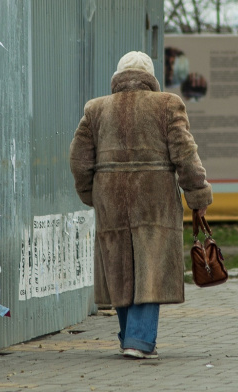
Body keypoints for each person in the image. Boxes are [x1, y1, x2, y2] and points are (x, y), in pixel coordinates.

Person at [69, 51, 213, 360]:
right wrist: (198, 196)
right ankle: (139, 340)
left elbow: (78, 160)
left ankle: (130, 337)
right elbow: (185, 154)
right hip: (154, 198)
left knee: (119, 265)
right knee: (151, 266)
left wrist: (90, 194)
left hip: (110, 197)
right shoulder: (167, 104)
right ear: (150, 78)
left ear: (118, 76)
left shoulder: (96, 109)